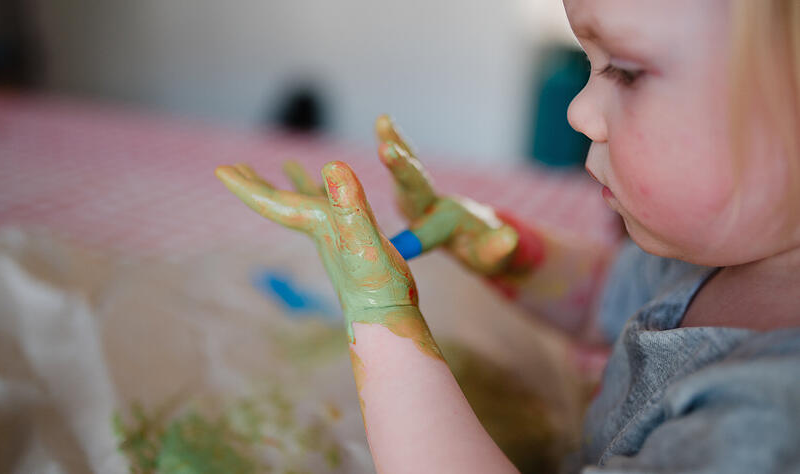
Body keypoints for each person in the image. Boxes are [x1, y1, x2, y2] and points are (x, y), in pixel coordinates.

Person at [214, 0, 800, 471]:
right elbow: (605, 292)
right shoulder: (726, 253)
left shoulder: (764, 422)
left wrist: (381, 316)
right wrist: (499, 245)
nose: (579, 111)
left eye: (626, 68)